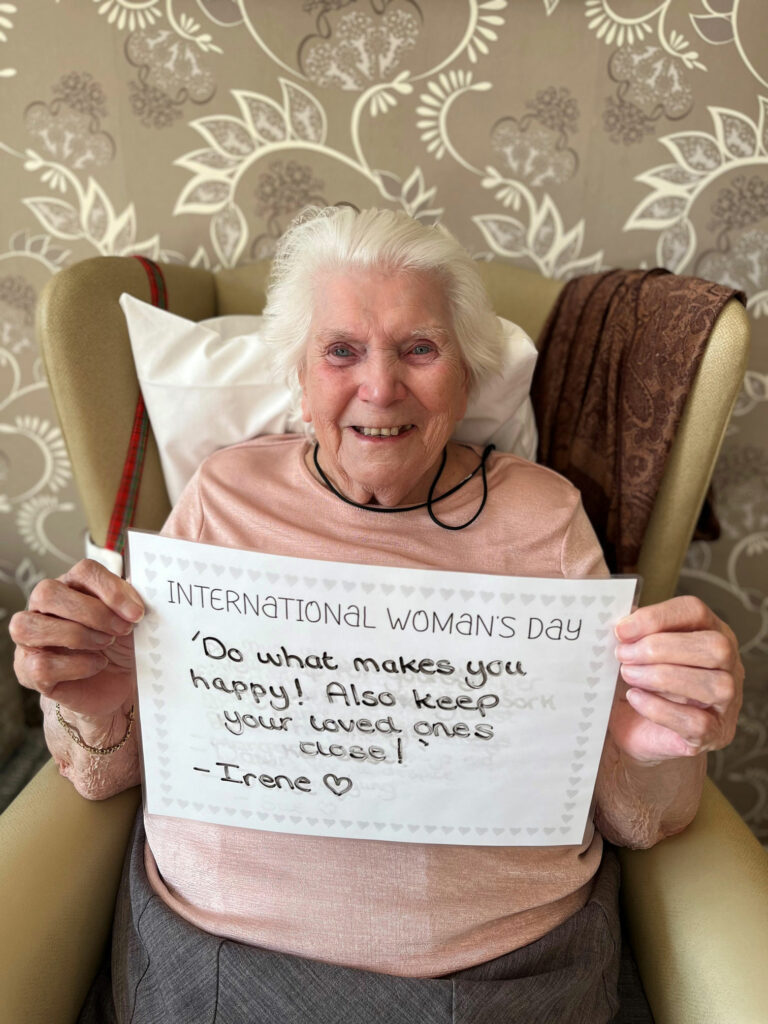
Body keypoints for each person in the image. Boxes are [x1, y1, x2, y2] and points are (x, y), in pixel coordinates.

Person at [11, 207, 743, 1023]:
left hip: (503, 978)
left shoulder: (544, 516)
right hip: (221, 963)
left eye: (419, 349)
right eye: (341, 352)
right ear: (300, 377)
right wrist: (95, 698)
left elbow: (638, 819)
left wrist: (649, 745)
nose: (381, 387)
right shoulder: (222, 495)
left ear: (467, 373)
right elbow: (102, 772)